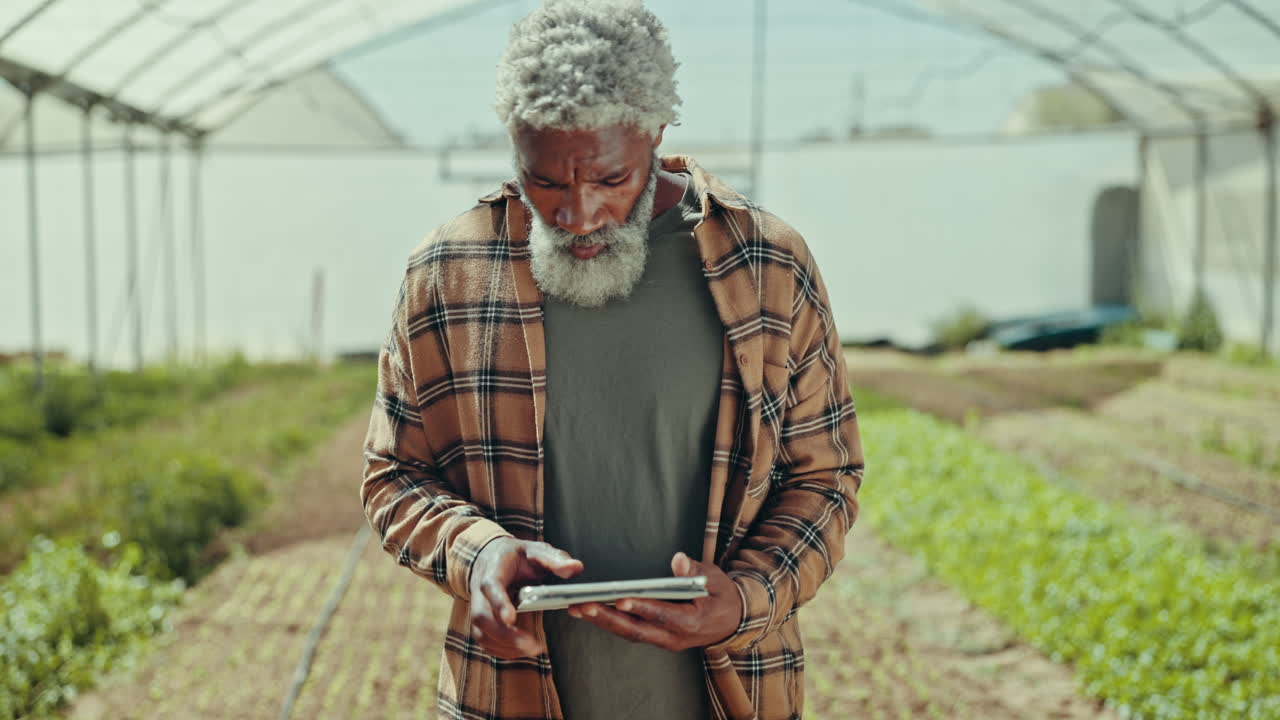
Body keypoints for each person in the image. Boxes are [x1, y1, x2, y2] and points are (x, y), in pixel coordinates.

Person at [360, 1, 864, 718]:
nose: (578, 213)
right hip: (509, 696)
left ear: (656, 134)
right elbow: (393, 476)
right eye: (546, 182)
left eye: (609, 179)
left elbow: (826, 474)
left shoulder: (767, 265)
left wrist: (747, 599)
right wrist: (477, 554)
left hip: (728, 696)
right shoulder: (449, 272)